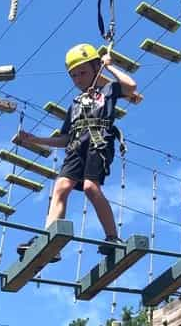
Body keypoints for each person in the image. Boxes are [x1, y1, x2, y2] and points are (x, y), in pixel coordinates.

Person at [16, 43, 137, 261]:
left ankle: (112, 237)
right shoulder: (75, 104)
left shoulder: (108, 90)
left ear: (95, 68)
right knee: (61, 186)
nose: (78, 79)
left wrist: (109, 66)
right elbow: (64, 138)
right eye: (74, 76)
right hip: (75, 146)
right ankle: (50, 238)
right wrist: (36, 140)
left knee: (91, 187)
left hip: (98, 143)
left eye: (82, 73)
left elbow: (131, 86)